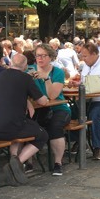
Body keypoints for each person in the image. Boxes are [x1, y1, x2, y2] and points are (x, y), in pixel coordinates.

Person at [0, 53, 49, 184]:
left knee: (19, 131)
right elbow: (43, 102)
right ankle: (16, 162)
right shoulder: (25, 78)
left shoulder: (1, 75)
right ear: (25, 66)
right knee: (43, 135)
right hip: (10, 128)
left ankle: (14, 158)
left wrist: (26, 100)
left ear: (11, 63)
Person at [70, 41, 100, 161]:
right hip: (86, 101)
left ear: (94, 54)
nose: (83, 58)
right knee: (69, 112)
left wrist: (98, 88)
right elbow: (85, 83)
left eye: (85, 56)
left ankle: (98, 147)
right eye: (82, 55)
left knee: (94, 114)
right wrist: (77, 83)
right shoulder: (86, 66)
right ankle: (80, 140)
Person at [32, 44, 71, 176]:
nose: (40, 58)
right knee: (26, 124)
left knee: (55, 127)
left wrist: (46, 78)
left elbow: (53, 95)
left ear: (51, 57)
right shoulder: (30, 71)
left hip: (58, 108)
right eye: (38, 55)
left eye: (44, 55)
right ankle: (28, 162)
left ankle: (58, 163)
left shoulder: (57, 72)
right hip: (39, 109)